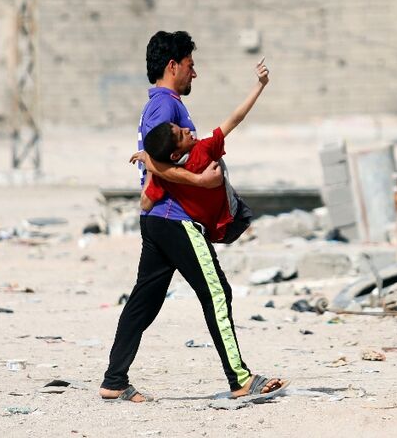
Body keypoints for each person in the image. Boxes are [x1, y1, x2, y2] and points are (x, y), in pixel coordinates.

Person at [99, 31, 286, 403]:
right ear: (173, 66)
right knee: (216, 290)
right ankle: (241, 379)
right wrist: (199, 180)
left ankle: (115, 380)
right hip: (174, 218)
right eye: (190, 65)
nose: (193, 74)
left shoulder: (163, 104)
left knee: (145, 300)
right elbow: (153, 162)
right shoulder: (164, 107)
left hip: (160, 219)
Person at [131, 57, 269, 243]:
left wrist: (151, 164)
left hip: (204, 229)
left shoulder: (165, 178)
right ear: (174, 154)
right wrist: (261, 84)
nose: (187, 129)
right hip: (224, 223)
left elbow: (145, 203)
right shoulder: (203, 148)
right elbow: (235, 119)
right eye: (181, 134)